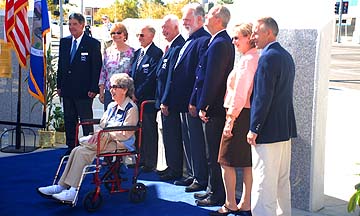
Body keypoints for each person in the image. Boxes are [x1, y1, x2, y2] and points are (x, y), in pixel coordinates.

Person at [37, 73, 139, 203]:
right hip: (104, 140)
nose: (111, 90)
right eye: (110, 87)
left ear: (124, 90)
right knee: (77, 151)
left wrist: (104, 134)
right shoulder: (112, 106)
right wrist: (100, 134)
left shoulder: (131, 108)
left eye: (115, 87)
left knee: (84, 149)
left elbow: (126, 133)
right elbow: (102, 124)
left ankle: (72, 190)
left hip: (120, 143)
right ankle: (62, 186)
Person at [246, 17, 297, 216]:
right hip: (283, 130)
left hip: (267, 132)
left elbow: (262, 97)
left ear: (269, 33)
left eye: (256, 32)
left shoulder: (268, 57)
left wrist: (254, 128)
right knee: (281, 181)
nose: (252, 37)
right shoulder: (285, 56)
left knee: (263, 183)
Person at [210, 23, 259, 216]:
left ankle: (230, 203)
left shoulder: (248, 60)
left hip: (239, 114)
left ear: (249, 37)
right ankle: (245, 203)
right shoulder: (255, 57)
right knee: (247, 162)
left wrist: (230, 118)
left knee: (225, 160)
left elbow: (240, 91)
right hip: (247, 114)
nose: (234, 42)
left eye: (237, 37)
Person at [190, 5, 235, 207]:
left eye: (208, 15)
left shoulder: (220, 43)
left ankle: (217, 194)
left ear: (218, 18)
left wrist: (205, 105)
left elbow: (213, 79)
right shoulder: (215, 40)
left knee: (214, 154)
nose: (205, 18)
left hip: (215, 108)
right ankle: (211, 188)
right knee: (211, 153)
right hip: (212, 106)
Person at [165, 3, 210, 192]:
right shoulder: (189, 39)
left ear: (200, 19)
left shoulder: (203, 40)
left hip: (192, 102)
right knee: (188, 141)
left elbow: (200, 74)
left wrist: (194, 100)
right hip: (183, 102)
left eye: (187, 19)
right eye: (183, 19)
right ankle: (192, 174)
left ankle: (200, 178)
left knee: (197, 142)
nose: (184, 23)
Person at [56, 13, 102, 155]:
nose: (72, 27)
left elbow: (96, 67)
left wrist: (94, 88)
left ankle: (89, 149)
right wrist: (59, 86)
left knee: (86, 121)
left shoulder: (92, 44)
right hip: (67, 90)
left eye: (75, 24)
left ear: (82, 25)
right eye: (70, 24)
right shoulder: (64, 42)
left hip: (85, 91)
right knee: (70, 120)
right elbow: (61, 66)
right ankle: (71, 147)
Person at [155, 14, 185, 181]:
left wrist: (165, 101)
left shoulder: (178, 46)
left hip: (171, 103)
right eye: (162, 28)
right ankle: (171, 166)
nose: (163, 31)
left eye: (166, 27)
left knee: (173, 137)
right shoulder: (170, 47)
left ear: (176, 27)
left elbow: (171, 78)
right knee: (168, 137)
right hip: (164, 102)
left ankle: (175, 170)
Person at [130, 25, 163, 172]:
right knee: (138, 131)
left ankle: (150, 161)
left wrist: (138, 92)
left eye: (142, 35)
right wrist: (131, 92)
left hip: (147, 100)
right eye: (138, 35)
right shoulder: (138, 53)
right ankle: (140, 158)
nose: (139, 38)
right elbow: (133, 74)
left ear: (151, 36)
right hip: (134, 99)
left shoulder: (156, 53)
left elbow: (151, 77)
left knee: (149, 130)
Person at [98, 22, 135, 110]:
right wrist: (101, 92)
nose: (116, 35)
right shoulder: (107, 52)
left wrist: (133, 93)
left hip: (125, 91)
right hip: (109, 91)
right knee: (110, 119)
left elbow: (134, 73)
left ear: (125, 35)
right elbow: (103, 72)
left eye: (119, 33)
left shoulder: (132, 52)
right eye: (113, 33)